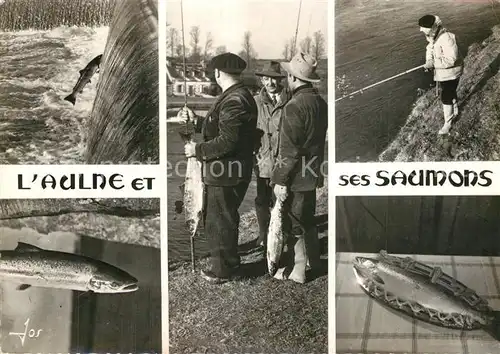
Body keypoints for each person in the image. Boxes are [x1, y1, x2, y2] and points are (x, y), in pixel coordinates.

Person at [180, 52, 258, 284]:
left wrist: (198, 150)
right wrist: (198, 122)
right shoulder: (238, 96)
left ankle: (225, 270)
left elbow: (228, 141)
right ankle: (227, 263)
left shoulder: (234, 100)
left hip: (225, 173)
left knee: (219, 221)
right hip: (229, 172)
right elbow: (224, 129)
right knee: (222, 219)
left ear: (217, 73)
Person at [271, 52, 328, 284]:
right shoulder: (320, 102)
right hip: (313, 172)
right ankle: (314, 261)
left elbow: (289, 151)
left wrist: (280, 180)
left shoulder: (293, 106)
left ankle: (298, 271)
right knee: (308, 219)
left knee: (296, 223)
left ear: (292, 78)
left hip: (296, 176)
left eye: (288, 75)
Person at [253, 61, 290, 249]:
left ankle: (282, 236)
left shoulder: (290, 100)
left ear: (280, 80)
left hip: (284, 162)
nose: (270, 83)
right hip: (262, 162)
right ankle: (263, 234)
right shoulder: (255, 102)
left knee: (283, 201)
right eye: (266, 79)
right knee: (262, 200)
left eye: (274, 79)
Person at [419, 14, 463, 135]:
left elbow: (451, 59)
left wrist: (433, 63)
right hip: (443, 73)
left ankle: (447, 124)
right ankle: (455, 110)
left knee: (445, 97)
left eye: (423, 27)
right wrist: (429, 60)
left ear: (431, 27)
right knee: (449, 91)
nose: (420, 30)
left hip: (452, 73)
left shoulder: (447, 38)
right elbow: (430, 48)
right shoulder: (434, 36)